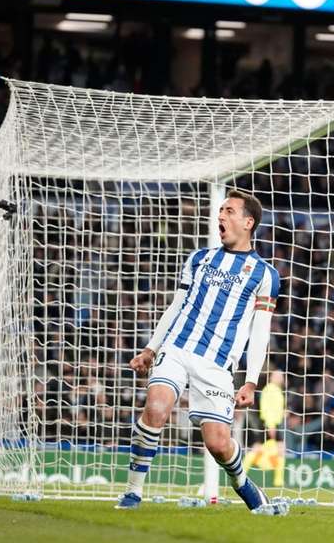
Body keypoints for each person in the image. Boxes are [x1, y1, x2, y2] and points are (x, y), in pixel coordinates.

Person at [115, 190, 279, 511]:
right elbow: (176, 307)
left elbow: (261, 331)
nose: (221, 216)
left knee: (218, 444)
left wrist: (251, 380)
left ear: (248, 222)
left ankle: (242, 483)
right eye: (220, 210)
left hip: (217, 364)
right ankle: (133, 492)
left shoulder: (265, 275)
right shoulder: (198, 259)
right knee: (157, 407)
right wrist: (151, 348)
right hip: (177, 347)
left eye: (229, 211)